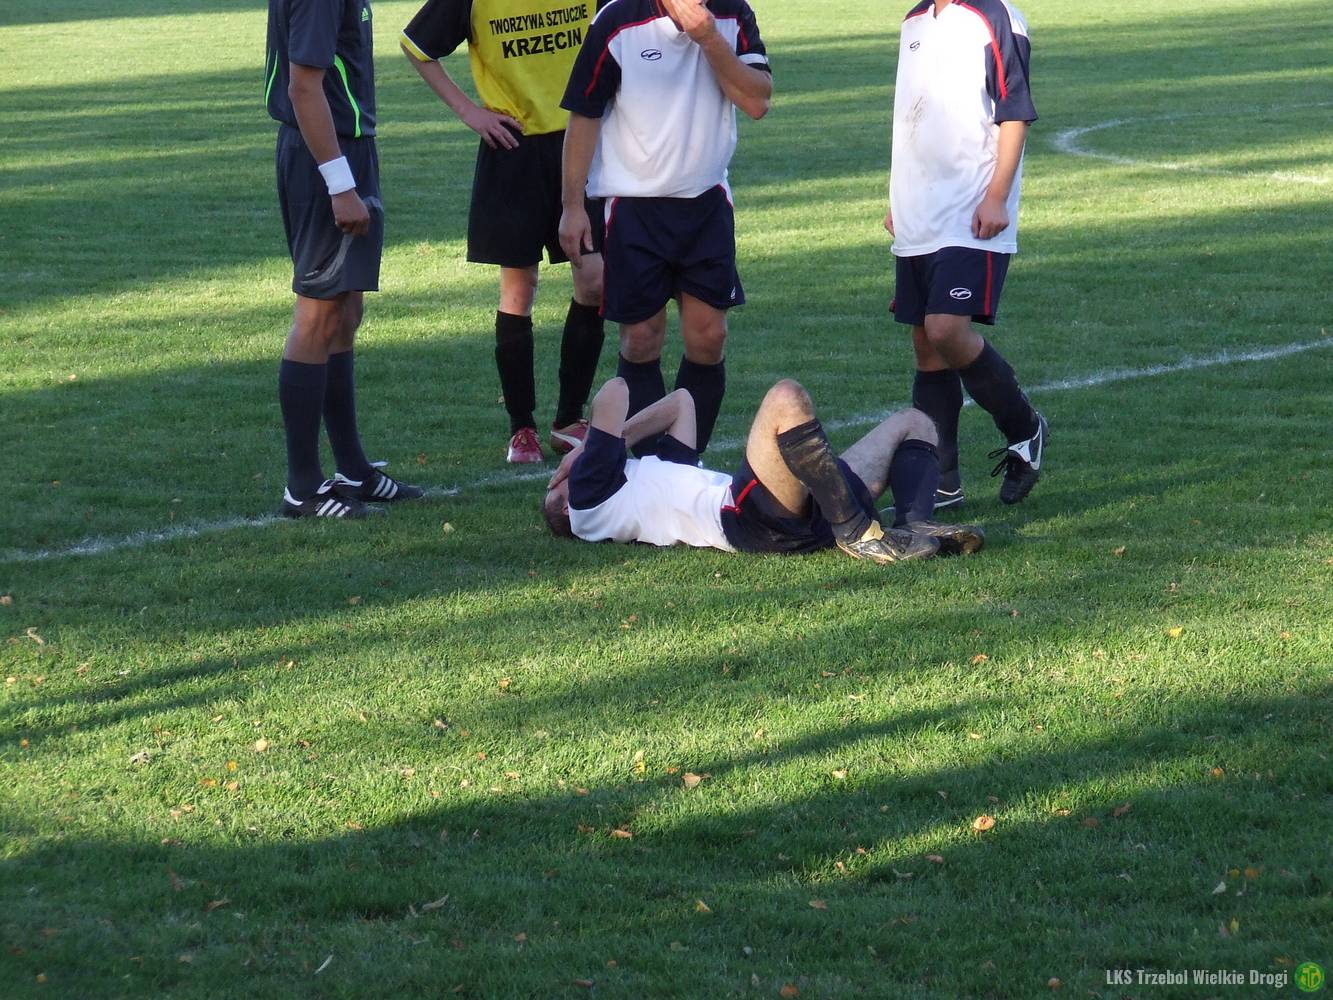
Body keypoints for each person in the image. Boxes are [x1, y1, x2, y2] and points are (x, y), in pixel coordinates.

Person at [557, 0, 772, 456]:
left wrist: (708, 37)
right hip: (633, 205)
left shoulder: (732, 13)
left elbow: (757, 101)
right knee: (641, 338)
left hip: (706, 202)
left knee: (709, 337)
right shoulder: (617, 19)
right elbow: (584, 115)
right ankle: (649, 465)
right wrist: (572, 206)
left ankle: (682, 463)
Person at [400, 0, 607, 464]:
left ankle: (569, 419)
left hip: (582, 140)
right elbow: (417, 46)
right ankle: (522, 428)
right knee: (519, 288)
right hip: (513, 147)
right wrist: (470, 113)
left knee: (595, 280)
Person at [542, 376, 985, 562]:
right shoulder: (587, 500)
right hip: (747, 519)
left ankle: (914, 523)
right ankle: (859, 535)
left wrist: (612, 442)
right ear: (566, 504)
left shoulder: (636, 485)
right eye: (556, 485)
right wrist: (583, 454)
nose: (560, 478)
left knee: (915, 423)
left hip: (805, 508)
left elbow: (681, 403)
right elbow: (615, 391)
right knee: (784, 398)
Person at [885, 0, 1047, 508]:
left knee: (945, 329)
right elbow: (913, 118)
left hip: (972, 209)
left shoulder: (996, 17)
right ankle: (941, 484)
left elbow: (1015, 111)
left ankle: (1025, 429)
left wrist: (997, 195)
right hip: (919, 212)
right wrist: (899, 199)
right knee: (925, 344)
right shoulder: (913, 21)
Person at [266, 0, 424, 518]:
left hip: (345, 148)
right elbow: (303, 87)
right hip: (325, 157)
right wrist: (339, 183)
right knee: (318, 313)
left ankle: (353, 470)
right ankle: (303, 488)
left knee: (345, 311)